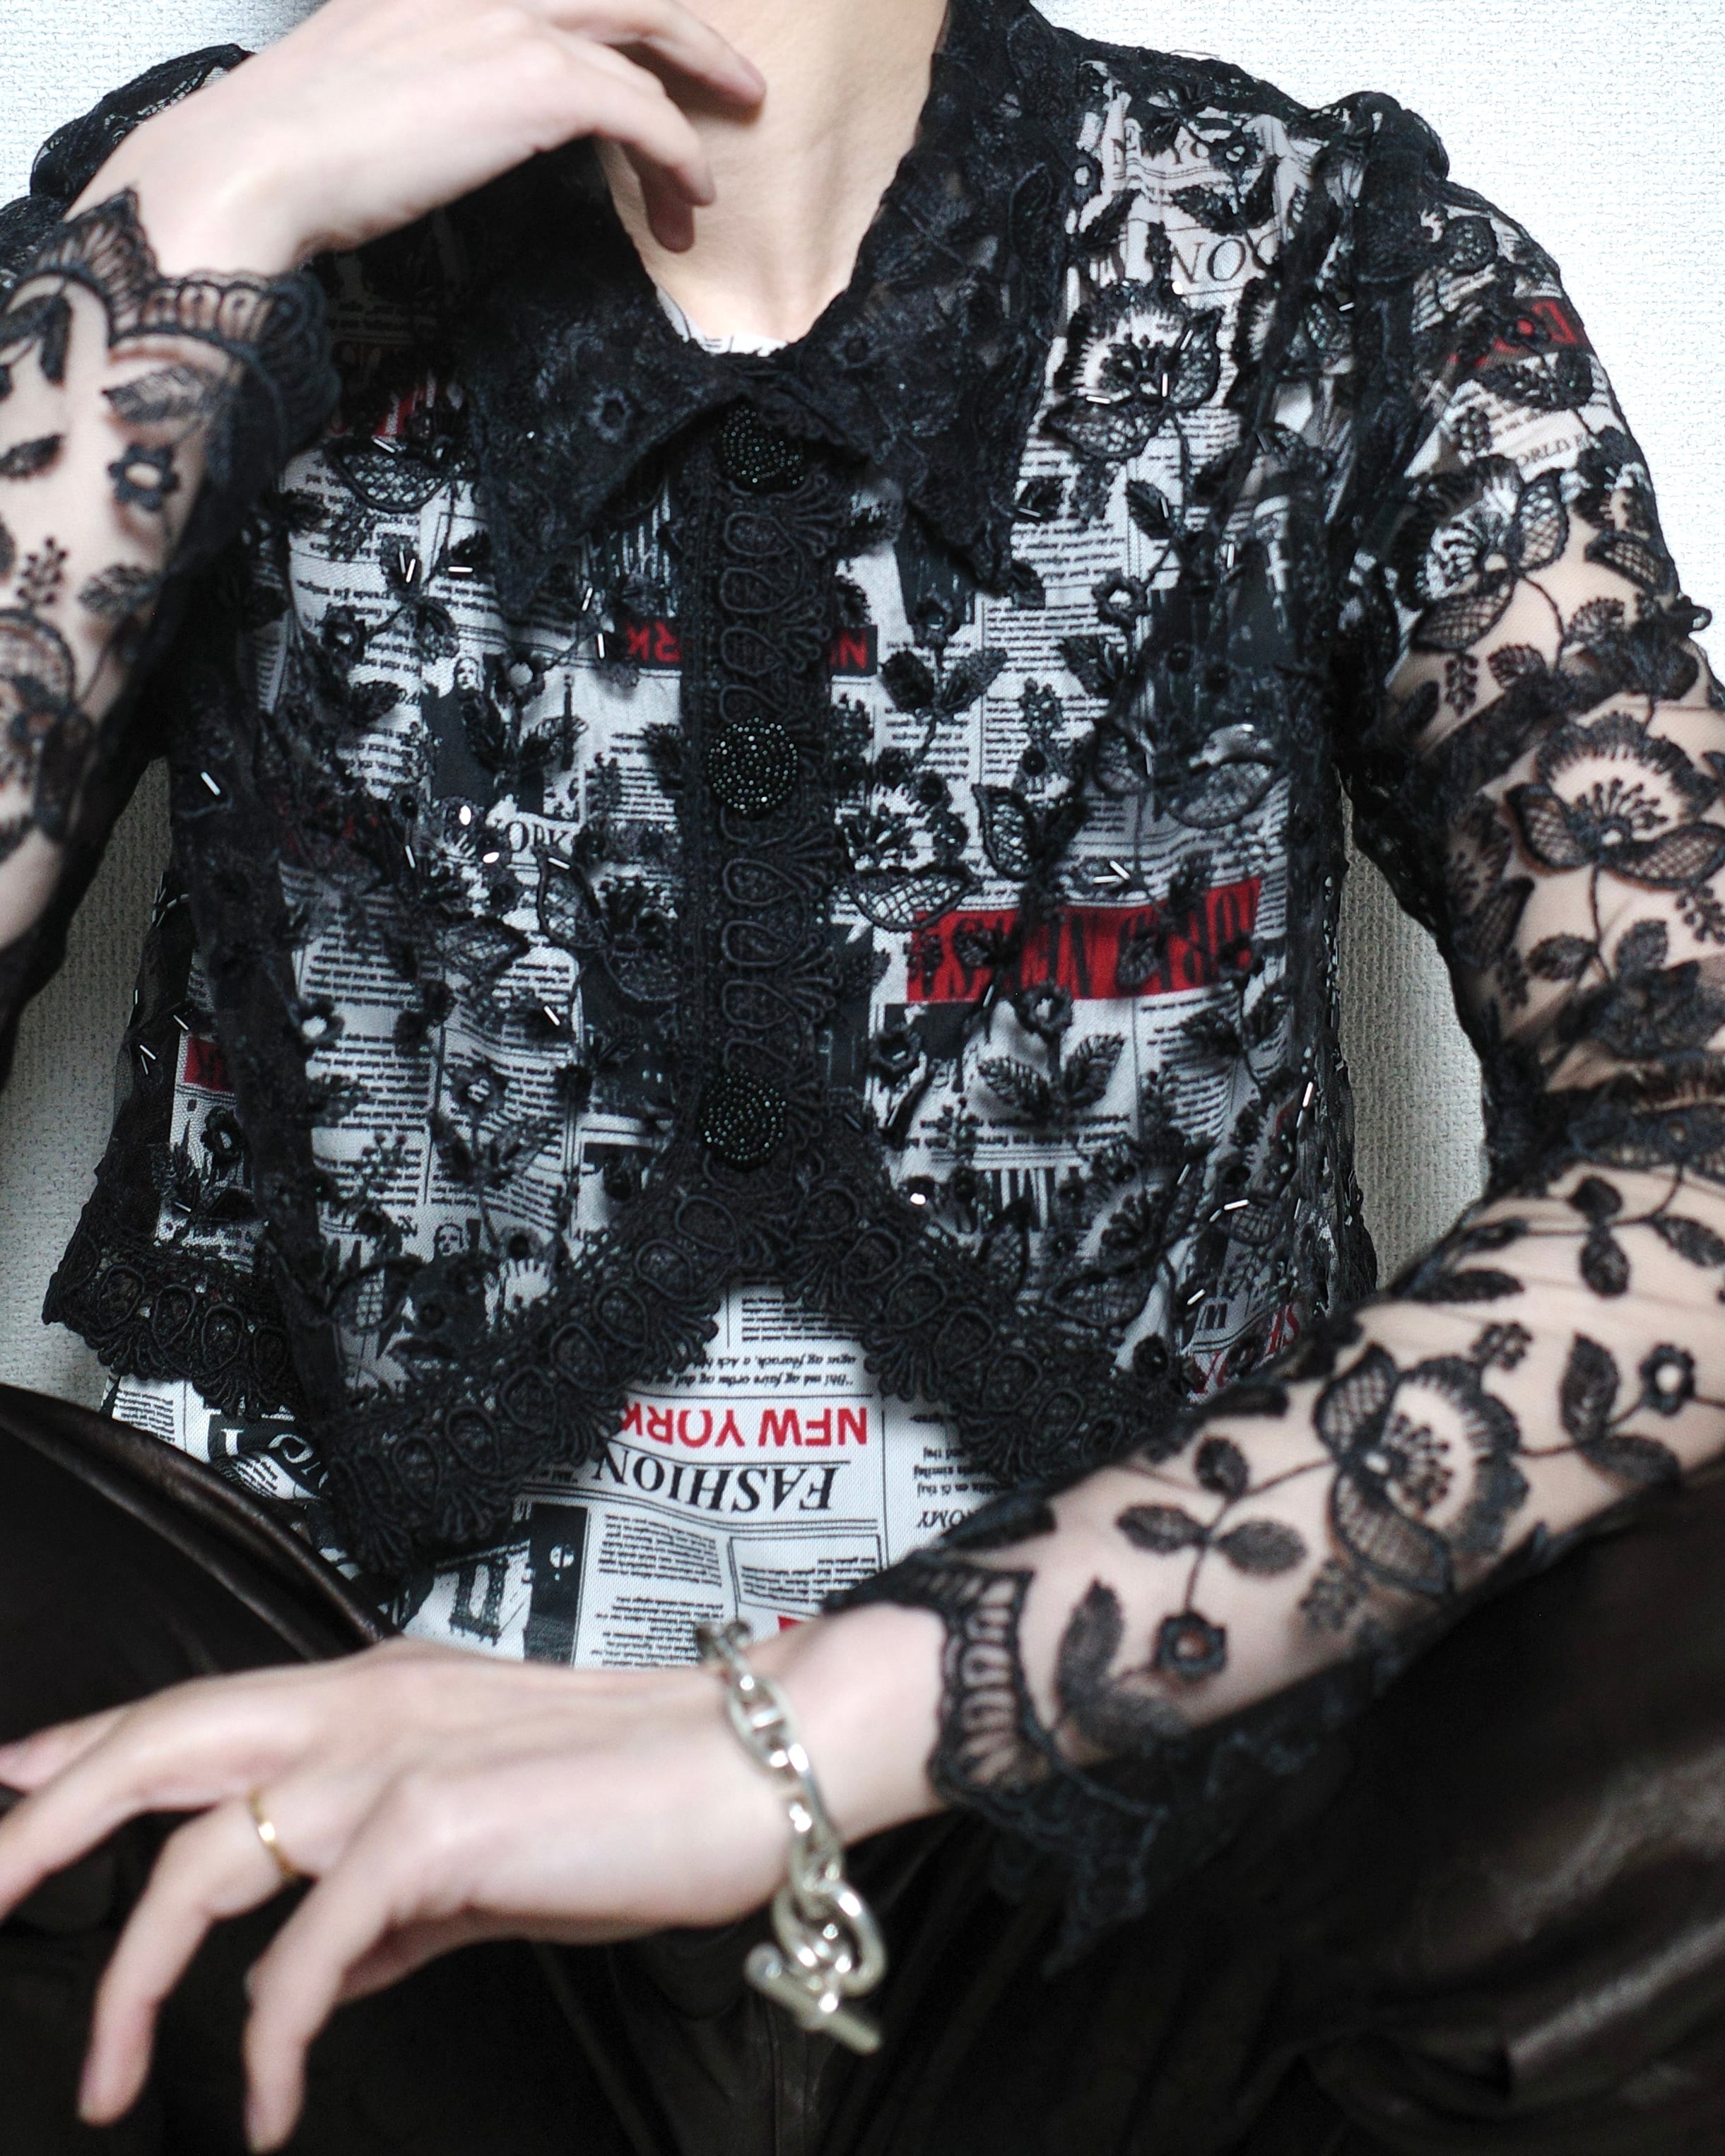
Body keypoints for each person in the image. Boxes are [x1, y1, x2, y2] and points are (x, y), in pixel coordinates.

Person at [2, 0, 1725, 2148]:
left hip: (1105, 1908)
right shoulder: (172, 233)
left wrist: (794, 1729)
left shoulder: (1324, 275)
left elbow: (1698, 1167)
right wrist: (188, 234)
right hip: (326, 1906)